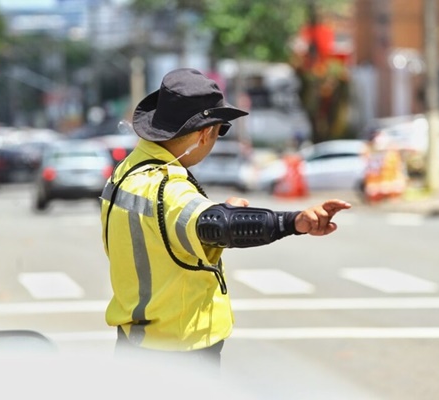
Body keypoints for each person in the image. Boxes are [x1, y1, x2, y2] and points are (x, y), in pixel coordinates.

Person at [99, 68, 351, 373]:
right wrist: (294, 221)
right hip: (177, 353)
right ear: (205, 132)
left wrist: (220, 210)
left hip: (135, 341)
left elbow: (177, 224)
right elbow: (217, 225)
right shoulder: (167, 186)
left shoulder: (128, 170)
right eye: (221, 130)